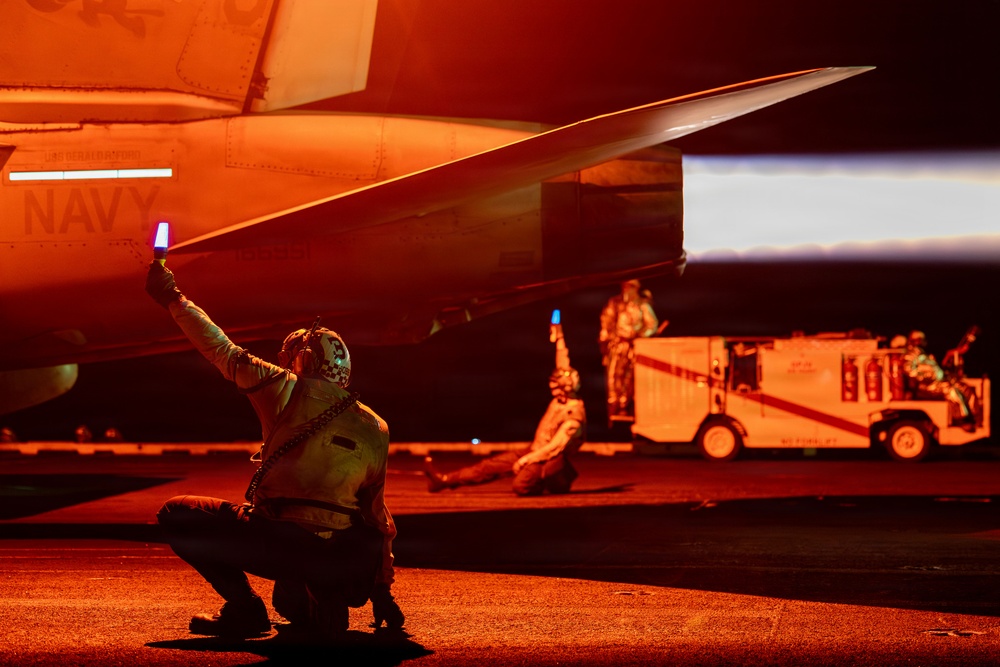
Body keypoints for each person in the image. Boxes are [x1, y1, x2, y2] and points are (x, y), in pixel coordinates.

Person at [144, 262, 403, 640]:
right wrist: (384, 593)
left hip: (281, 541)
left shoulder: (283, 387)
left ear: (304, 360)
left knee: (177, 512)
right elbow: (379, 519)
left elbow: (218, 347)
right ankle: (317, 588)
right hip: (340, 555)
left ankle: (244, 608)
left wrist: (172, 297)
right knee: (294, 599)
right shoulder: (376, 425)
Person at [424, 317, 586, 496]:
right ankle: (445, 480)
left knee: (521, 486)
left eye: (556, 386)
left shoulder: (573, 419)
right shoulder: (563, 394)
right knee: (489, 466)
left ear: (566, 387)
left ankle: (553, 481)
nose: (552, 389)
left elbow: (553, 448)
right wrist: (559, 336)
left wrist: (526, 460)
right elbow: (563, 362)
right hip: (534, 450)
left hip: (549, 458)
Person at [598, 279, 660, 421]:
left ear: (636, 288)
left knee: (629, 377)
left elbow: (651, 325)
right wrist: (604, 343)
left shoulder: (642, 305)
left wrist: (639, 338)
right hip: (616, 345)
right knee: (613, 375)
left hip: (633, 347)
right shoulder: (614, 303)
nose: (626, 289)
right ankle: (613, 404)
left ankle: (624, 405)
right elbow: (606, 323)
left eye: (630, 286)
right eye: (624, 286)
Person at [903, 330, 977, 430]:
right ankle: (960, 419)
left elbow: (935, 368)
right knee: (951, 390)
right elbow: (909, 371)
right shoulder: (910, 354)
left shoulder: (923, 354)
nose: (921, 342)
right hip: (926, 385)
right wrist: (926, 377)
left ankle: (974, 415)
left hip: (938, 382)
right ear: (913, 341)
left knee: (963, 387)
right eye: (918, 340)